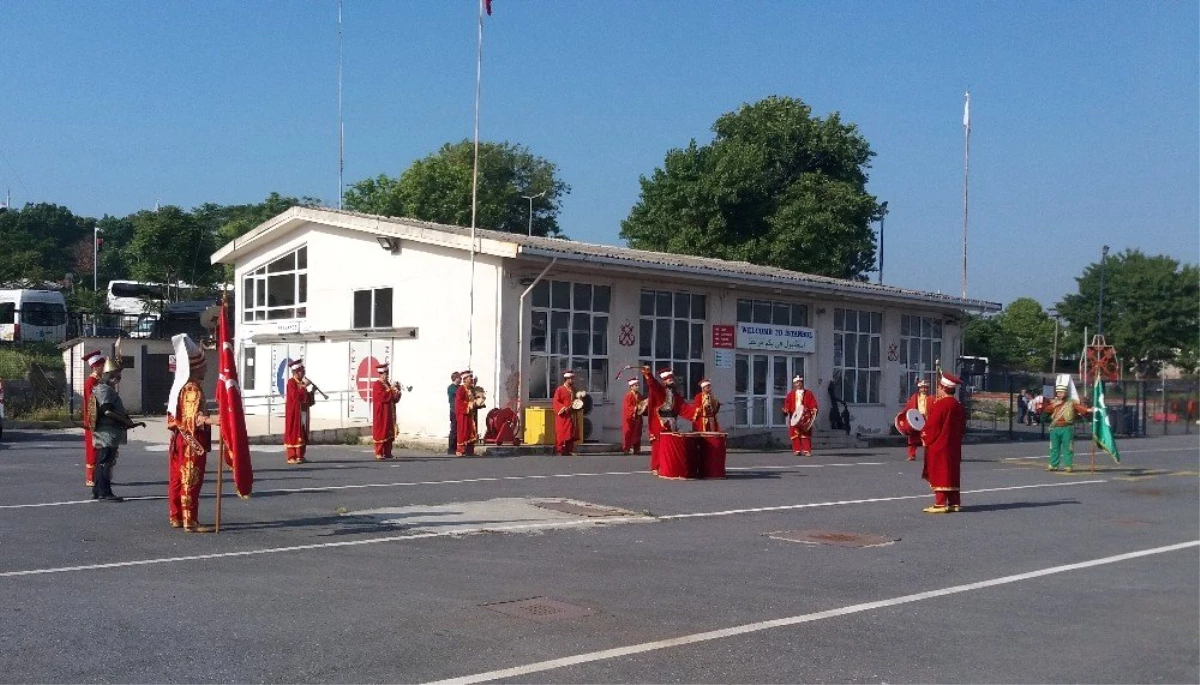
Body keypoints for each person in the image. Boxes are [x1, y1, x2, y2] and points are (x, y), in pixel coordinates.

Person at [166, 334, 212, 532]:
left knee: (178, 478)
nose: (206, 368)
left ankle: (176, 516)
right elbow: (193, 419)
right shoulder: (193, 388)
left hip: (180, 440)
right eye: (203, 365)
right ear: (196, 367)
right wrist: (217, 420)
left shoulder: (181, 387)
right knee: (190, 478)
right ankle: (190, 519)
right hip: (191, 441)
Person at [89, 357, 146, 501]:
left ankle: (98, 490)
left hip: (109, 430)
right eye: (116, 374)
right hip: (107, 431)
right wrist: (125, 421)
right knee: (105, 462)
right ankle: (104, 492)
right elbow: (107, 411)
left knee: (104, 461)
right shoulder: (104, 389)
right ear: (110, 375)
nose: (118, 377)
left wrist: (128, 422)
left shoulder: (105, 388)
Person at [920, 371, 966, 513]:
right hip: (954, 444)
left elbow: (933, 425)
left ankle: (940, 503)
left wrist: (924, 436)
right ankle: (954, 502)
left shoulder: (941, 405)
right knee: (952, 471)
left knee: (940, 472)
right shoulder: (958, 405)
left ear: (943, 388)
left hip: (940, 444)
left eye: (939, 387)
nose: (938, 390)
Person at [641, 366, 684, 474]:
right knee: (658, 445)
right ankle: (656, 466)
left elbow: (682, 406)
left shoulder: (675, 394)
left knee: (670, 444)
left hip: (671, 422)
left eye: (672, 379)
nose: (672, 381)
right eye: (670, 380)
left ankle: (668, 465)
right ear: (664, 381)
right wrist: (648, 374)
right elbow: (653, 384)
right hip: (660, 421)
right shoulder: (660, 391)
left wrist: (695, 412)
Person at [1043, 381, 1091, 472]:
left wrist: (1089, 410)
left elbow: (1079, 408)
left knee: (1068, 448)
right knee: (1054, 447)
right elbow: (1045, 413)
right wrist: (1053, 406)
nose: (1060, 394)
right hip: (1055, 428)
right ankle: (1053, 465)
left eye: (1062, 392)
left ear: (1066, 393)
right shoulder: (1053, 403)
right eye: (1058, 392)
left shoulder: (1071, 402)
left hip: (1067, 428)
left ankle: (1068, 465)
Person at [81, 349, 106, 487]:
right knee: (93, 448)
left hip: (97, 419)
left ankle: (99, 475)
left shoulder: (98, 381)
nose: (104, 368)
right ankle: (91, 477)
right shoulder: (91, 382)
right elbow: (93, 402)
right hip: (93, 419)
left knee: (99, 447)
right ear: (96, 366)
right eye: (102, 365)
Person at [284, 358, 315, 464]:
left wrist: (312, 392)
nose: (304, 374)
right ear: (296, 372)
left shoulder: (301, 383)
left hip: (303, 412)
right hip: (294, 413)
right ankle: (291, 456)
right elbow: (296, 396)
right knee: (293, 432)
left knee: (303, 433)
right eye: (302, 371)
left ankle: (300, 455)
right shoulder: (291, 383)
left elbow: (307, 400)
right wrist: (304, 386)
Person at [781, 376, 819, 457]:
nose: (798, 384)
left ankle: (807, 450)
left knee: (806, 434)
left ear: (802, 383)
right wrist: (786, 410)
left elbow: (813, 403)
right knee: (795, 434)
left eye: (800, 382)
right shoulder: (791, 394)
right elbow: (787, 404)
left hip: (805, 417)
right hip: (794, 417)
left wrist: (813, 409)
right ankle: (797, 450)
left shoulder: (808, 393)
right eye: (796, 382)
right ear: (794, 384)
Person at [371, 363, 402, 460]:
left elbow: (393, 398)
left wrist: (397, 392)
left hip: (389, 412)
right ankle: (379, 452)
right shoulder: (377, 384)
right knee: (381, 431)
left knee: (389, 432)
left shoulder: (387, 384)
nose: (387, 376)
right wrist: (390, 390)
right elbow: (382, 397)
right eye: (385, 374)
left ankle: (388, 452)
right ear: (380, 374)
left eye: (387, 374)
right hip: (381, 413)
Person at [552, 371, 580, 455]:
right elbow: (556, 401)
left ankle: (569, 450)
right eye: (571, 379)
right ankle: (559, 450)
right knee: (561, 432)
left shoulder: (574, 389)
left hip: (571, 414)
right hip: (563, 415)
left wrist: (578, 403)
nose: (573, 380)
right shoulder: (560, 389)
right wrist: (563, 408)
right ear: (566, 379)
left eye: (573, 378)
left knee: (571, 432)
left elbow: (576, 400)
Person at [902, 379, 931, 461]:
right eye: (922, 388)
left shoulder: (931, 398)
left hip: (926, 419)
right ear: (919, 388)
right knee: (912, 438)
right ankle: (912, 455)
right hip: (915, 419)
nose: (924, 389)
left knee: (928, 438)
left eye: (925, 388)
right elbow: (908, 409)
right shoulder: (914, 398)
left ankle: (929, 456)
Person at [454, 370, 479, 456]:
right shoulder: (461, 389)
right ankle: (460, 450)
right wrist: (469, 405)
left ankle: (470, 450)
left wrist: (477, 401)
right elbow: (458, 402)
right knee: (463, 432)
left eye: (471, 378)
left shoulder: (471, 389)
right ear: (465, 379)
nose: (471, 379)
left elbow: (475, 397)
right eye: (469, 378)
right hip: (463, 414)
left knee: (471, 431)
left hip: (470, 414)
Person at [621, 378, 644, 455]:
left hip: (638, 417)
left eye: (638, 385)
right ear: (631, 387)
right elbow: (627, 407)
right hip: (630, 418)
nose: (637, 387)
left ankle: (636, 449)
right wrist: (636, 408)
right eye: (635, 385)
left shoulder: (639, 395)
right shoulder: (628, 396)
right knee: (628, 433)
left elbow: (642, 404)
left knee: (637, 433)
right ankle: (626, 449)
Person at [446, 371, 461, 454]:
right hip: (454, 411)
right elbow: (459, 393)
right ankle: (451, 448)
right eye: (459, 378)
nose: (461, 379)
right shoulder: (451, 387)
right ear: (455, 378)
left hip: (460, 411)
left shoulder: (459, 387)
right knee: (454, 429)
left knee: (459, 429)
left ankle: (458, 447)